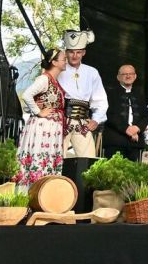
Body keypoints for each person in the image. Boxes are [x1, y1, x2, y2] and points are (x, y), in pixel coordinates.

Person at [15, 48, 66, 187]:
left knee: (48, 159)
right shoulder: (44, 79)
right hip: (43, 127)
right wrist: (39, 112)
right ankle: (31, 191)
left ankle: (44, 192)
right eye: (63, 59)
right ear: (54, 62)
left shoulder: (54, 81)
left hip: (51, 129)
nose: (65, 61)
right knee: (39, 157)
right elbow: (27, 95)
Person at [56, 29, 107, 159]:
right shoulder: (58, 69)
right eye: (71, 52)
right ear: (66, 52)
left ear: (83, 53)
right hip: (61, 121)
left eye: (78, 52)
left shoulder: (92, 72)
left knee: (88, 159)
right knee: (57, 158)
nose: (75, 55)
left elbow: (100, 100)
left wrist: (96, 119)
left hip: (82, 122)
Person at [103, 64, 148, 160]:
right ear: (118, 77)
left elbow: (146, 115)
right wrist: (126, 129)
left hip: (134, 142)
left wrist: (137, 128)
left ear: (135, 76)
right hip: (115, 141)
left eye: (131, 73)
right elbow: (110, 114)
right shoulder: (110, 94)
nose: (128, 76)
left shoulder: (139, 94)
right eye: (124, 74)